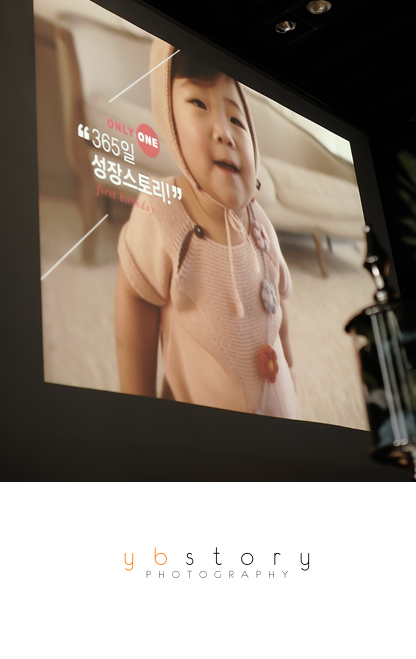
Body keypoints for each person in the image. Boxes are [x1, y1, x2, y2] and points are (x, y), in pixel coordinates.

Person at [115, 38, 299, 419]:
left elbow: (277, 310)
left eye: (236, 120)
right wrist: (138, 409)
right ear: (170, 123)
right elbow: (134, 299)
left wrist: (291, 370)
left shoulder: (262, 225)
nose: (225, 133)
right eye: (199, 104)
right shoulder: (164, 210)